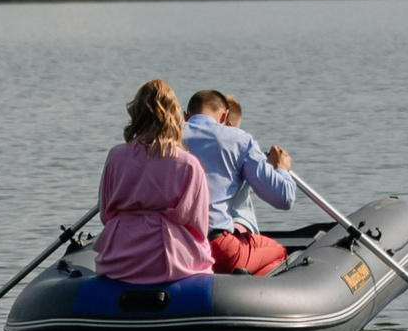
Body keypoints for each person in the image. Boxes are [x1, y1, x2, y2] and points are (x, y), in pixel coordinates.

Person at [97, 78, 213, 285]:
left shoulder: (115, 157)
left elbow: (106, 213)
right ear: (175, 115)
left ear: (136, 114)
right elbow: (199, 225)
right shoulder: (187, 164)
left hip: (119, 258)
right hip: (167, 258)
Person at [182, 87, 296, 276]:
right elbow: (283, 198)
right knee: (279, 252)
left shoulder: (164, 138)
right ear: (225, 116)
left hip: (172, 245)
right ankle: (248, 292)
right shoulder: (239, 140)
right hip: (216, 246)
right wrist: (282, 169)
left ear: (186, 116)